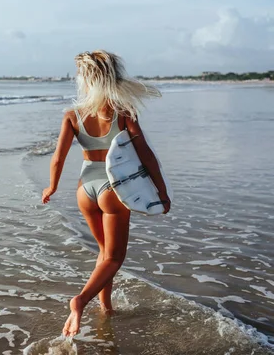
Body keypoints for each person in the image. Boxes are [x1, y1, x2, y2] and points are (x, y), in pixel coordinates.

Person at [41, 50, 172, 337]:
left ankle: (106, 306)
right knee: (114, 258)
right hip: (114, 188)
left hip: (84, 188)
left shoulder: (72, 116)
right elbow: (145, 154)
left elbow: (57, 158)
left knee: (104, 253)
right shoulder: (123, 112)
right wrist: (161, 191)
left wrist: (51, 186)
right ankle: (80, 301)